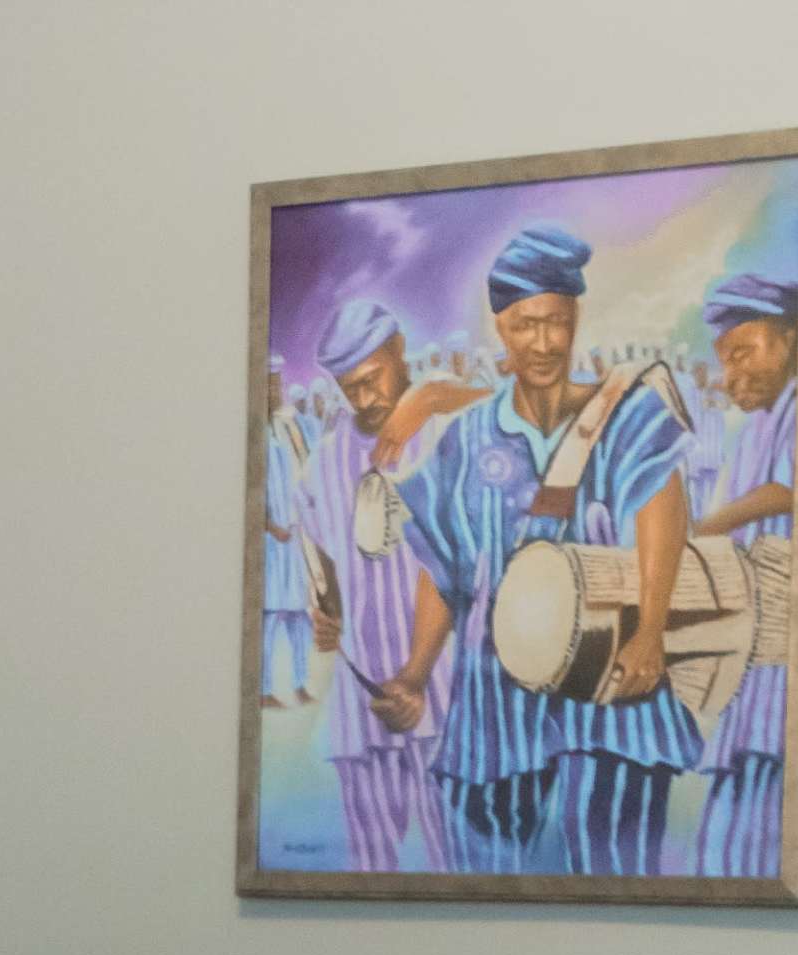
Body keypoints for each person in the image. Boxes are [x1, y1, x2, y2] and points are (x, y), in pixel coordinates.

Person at [378, 223, 702, 873]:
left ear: (576, 315)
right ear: (500, 327)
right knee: (483, 874)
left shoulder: (625, 415)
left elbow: (661, 505)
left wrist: (651, 631)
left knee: (616, 875)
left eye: (556, 321)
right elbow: (441, 568)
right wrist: (415, 672)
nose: (545, 341)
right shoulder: (465, 439)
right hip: (494, 707)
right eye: (526, 325)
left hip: (609, 697)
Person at [284, 296, 469, 871]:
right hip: (361, 703)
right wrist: (327, 611)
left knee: (458, 864)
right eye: (349, 388)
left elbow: (530, 409)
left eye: (372, 380)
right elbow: (324, 564)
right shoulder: (322, 464)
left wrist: (433, 396)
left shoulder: (448, 431)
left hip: (446, 692)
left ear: (397, 352)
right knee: (368, 869)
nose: (364, 399)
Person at [691, 271, 798, 878]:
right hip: (752, 651)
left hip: (782, 652)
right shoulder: (754, 428)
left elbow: (789, 489)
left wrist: (708, 526)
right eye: (725, 362)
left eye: (745, 354)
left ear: (789, 340)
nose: (733, 377)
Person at [256, 364, 315, 708]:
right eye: (269, 388)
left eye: (278, 388)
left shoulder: (285, 427)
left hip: (292, 538)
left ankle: (300, 682)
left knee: (299, 616)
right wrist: (267, 524)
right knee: (271, 617)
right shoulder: (255, 433)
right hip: (269, 540)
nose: (274, 394)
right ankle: (263, 690)